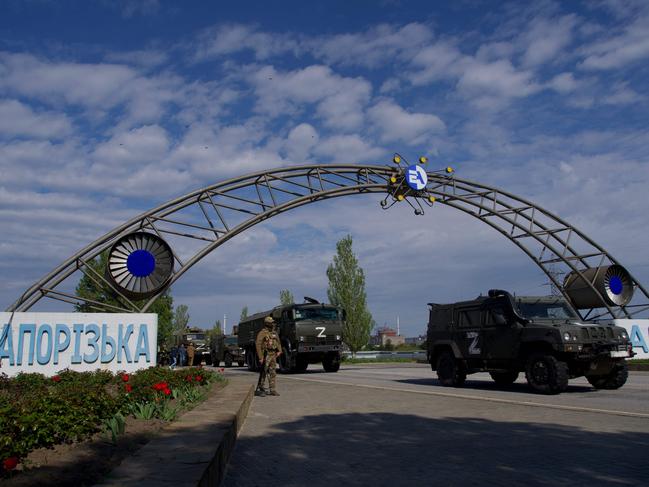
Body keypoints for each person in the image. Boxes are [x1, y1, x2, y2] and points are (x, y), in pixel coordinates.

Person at [255, 316, 283, 396]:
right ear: (267, 323)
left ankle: (272, 389)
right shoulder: (262, 333)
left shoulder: (274, 333)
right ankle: (261, 388)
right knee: (264, 371)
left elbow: (278, 342)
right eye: (271, 322)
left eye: (273, 322)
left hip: (273, 354)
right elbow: (258, 344)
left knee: (273, 372)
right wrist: (260, 357)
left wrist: (279, 350)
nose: (273, 324)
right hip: (266, 354)